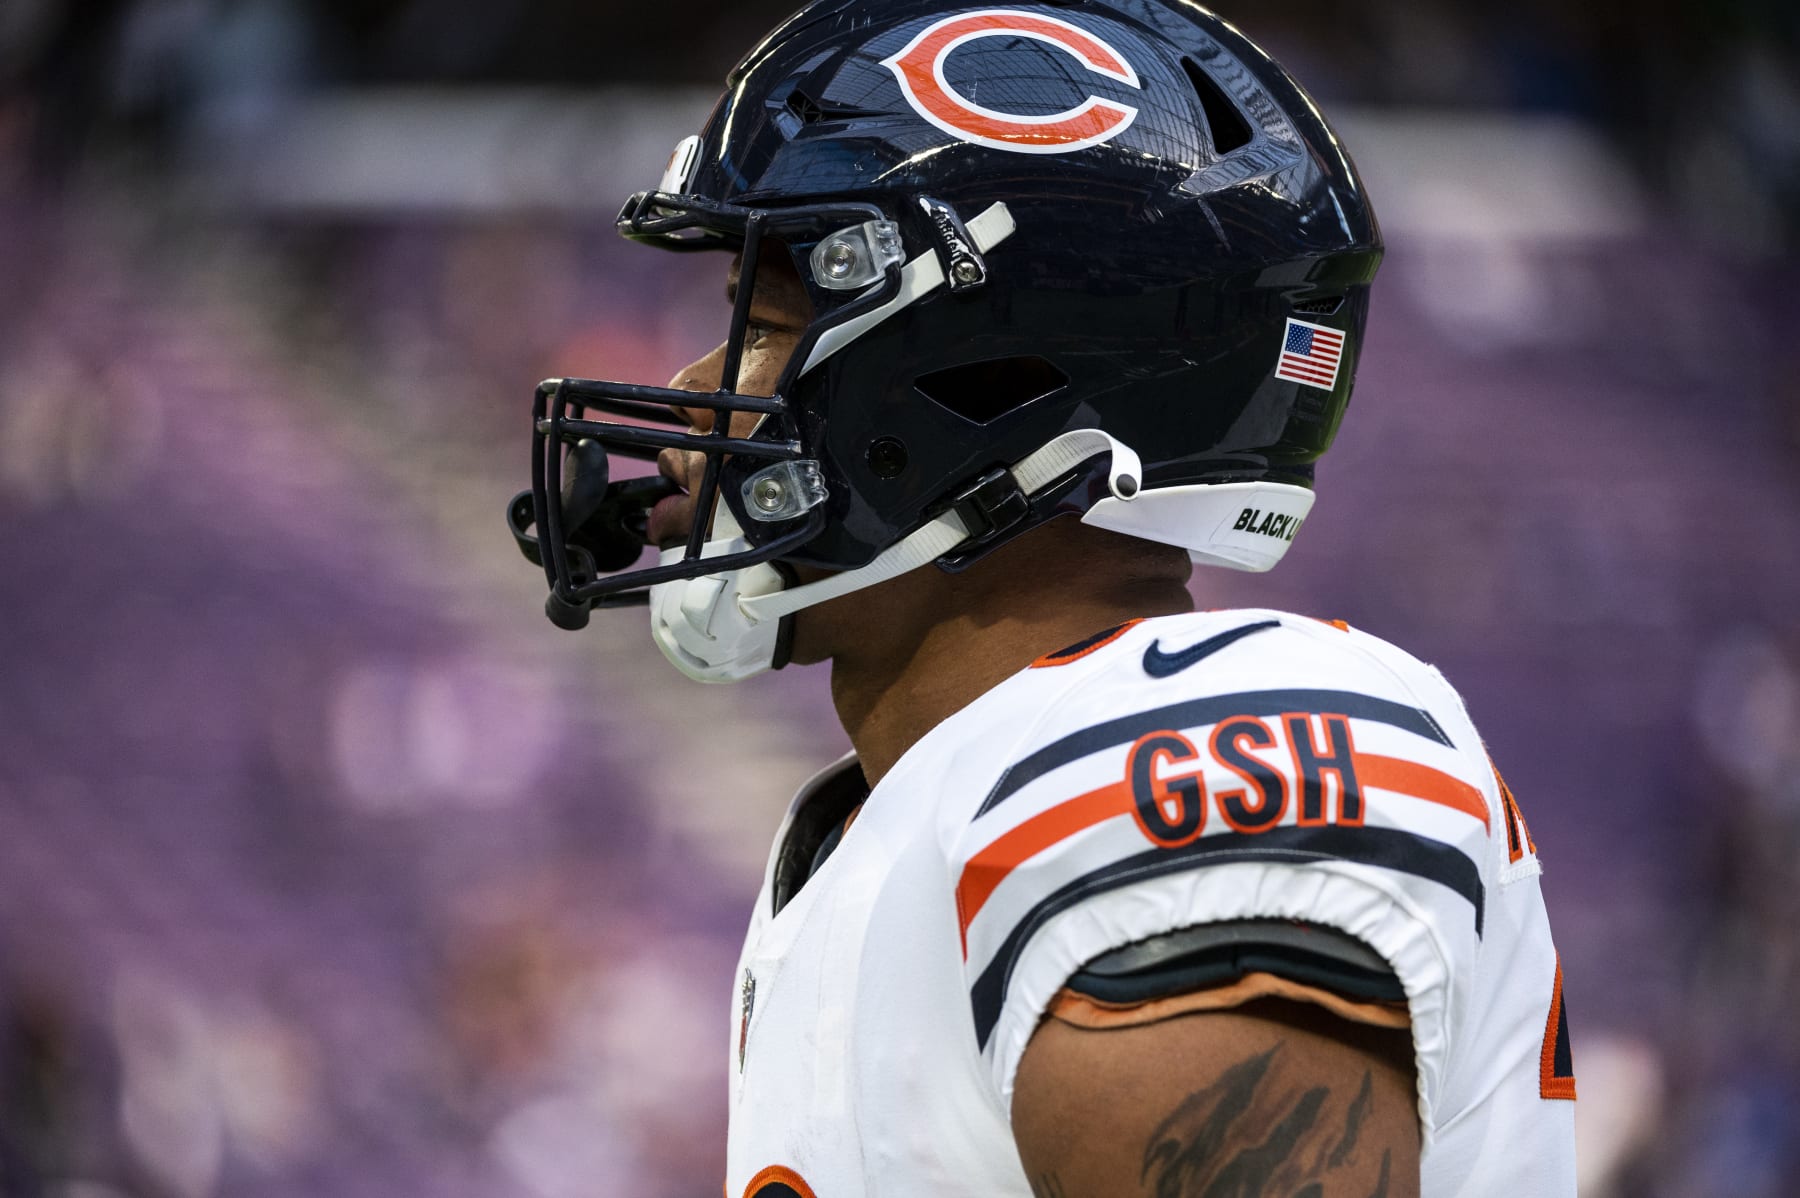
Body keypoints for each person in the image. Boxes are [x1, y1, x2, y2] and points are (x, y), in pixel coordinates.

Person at [507, 1, 1576, 1193]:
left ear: (981, 382)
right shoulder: (902, 824)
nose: (697, 391)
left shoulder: (1166, 761)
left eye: (760, 330)